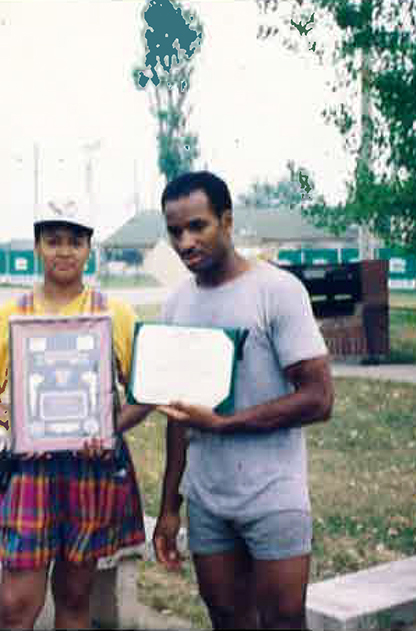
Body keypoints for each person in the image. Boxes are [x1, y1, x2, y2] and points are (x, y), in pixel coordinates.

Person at [151, 171, 335, 630]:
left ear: (227, 221)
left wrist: (223, 424)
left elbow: (319, 398)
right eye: (175, 231)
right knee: (227, 618)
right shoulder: (176, 305)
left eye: (198, 226)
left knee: (282, 621)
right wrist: (170, 507)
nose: (185, 242)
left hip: (273, 494)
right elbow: (178, 417)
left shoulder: (277, 291)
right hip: (207, 499)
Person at [0, 200, 149, 630]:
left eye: (75, 242)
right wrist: (16, 425)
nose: (64, 251)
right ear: (37, 247)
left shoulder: (115, 314)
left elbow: (145, 392)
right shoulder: (10, 315)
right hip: (30, 470)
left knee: (75, 597)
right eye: (53, 241)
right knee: (15, 605)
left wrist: (110, 428)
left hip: (92, 467)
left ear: (89, 249)